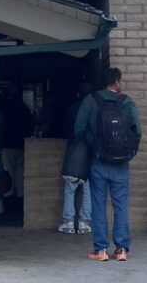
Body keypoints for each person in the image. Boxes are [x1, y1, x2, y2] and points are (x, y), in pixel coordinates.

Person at [74, 67, 141, 262]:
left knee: (98, 205)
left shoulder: (91, 101)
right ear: (117, 82)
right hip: (121, 164)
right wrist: (128, 153)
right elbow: (137, 131)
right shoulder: (127, 102)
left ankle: (101, 250)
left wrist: (91, 144)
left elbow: (78, 128)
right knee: (120, 205)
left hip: (98, 162)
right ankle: (121, 250)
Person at [59, 82, 94, 235]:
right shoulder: (94, 108)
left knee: (70, 187)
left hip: (74, 150)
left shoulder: (71, 109)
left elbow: (65, 129)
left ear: (78, 94)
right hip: (90, 151)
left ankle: (67, 222)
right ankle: (84, 223)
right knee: (88, 188)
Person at [0, 89, 34, 202]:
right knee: (20, 171)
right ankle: (20, 195)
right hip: (22, 145)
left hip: (7, 145)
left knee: (8, 171)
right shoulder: (25, 110)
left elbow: (1, 127)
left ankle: (9, 195)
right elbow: (30, 127)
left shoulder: (5, 110)